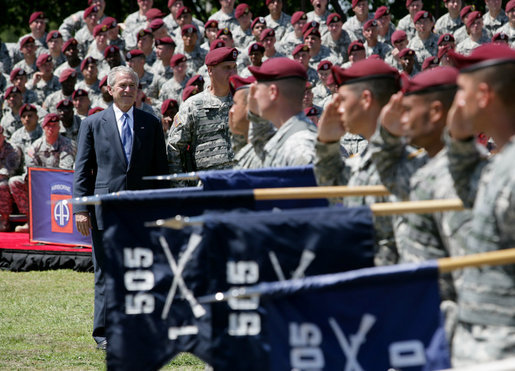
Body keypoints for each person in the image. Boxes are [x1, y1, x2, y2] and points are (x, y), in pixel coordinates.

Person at [369, 66, 469, 342]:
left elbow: (471, 278)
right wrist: (387, 135)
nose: (403, 119)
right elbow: (389, 172)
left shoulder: (459, 181)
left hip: (452, 333)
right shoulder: (429, 170)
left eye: (408, 110)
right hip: (424, 323)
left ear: (436, 113)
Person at [73, 65, 168, 351]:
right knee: (106, 271)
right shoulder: (92, 123)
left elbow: (159, 171)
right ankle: (104, 332)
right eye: (122, 85)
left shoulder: (150, 123)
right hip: (106, 210)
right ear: (110, 89)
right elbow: (82, 169)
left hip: (142, 212)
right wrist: (80, 207)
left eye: (132, 85)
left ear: (138, 90)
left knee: (143, 269)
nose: (127, 90)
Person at [444, 43, 515, 366]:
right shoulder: (503, 160)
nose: (456, 102)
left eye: (461, 90)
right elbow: (470, 190)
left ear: (484, 95)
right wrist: (458, 139)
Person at [314, 58, 400, 265]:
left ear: (366, 99)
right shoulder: (366, 159)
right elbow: (331, 188)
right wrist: (327, 142)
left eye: (343, 100)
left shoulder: (399, 161)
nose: (337, 107)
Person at [166, 47, 237, 173]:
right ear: (210, 70)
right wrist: (181, 187)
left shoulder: (243, 101)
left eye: (234, 67)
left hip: (242, 181)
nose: (232, 73)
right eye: (226, 68)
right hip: (207, 184)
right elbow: (174, 148)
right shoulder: (192, 106)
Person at [246, 57, 324, 167]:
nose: (254, 95)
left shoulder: (301, 147)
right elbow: (262, 142)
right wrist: (255, 114)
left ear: (272, 92)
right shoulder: (289, 131)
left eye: (257, 88)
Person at [9, 113, 76, 233]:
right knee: (15, 182)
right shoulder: (35, 146)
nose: (51, 128)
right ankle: (31, 221)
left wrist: (45, 179)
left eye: (54, 125)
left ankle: (61, 224)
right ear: (43, 127)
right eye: (48, 125)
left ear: (59, 127)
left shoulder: (67, 144)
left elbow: (65, 171)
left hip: (61, 184)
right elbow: (30, 170)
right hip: (41, 183)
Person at [0, 126, 21, 232]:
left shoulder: (12, 149)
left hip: (8, 181)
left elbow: (9, 171)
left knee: (2, 185)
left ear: (3, 136)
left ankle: (4, 219)